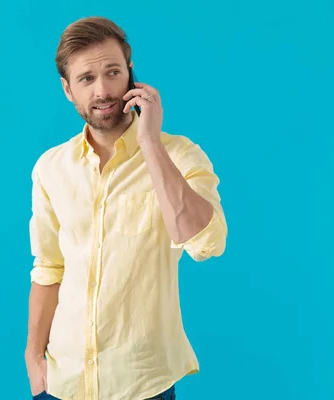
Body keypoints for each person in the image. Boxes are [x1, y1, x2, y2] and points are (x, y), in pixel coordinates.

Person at [25, 16, 228, 400]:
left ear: (131, 74)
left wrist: (150, 143)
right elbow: (49, 268)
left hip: (141, 384)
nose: (103, 90)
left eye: (112, 72)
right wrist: (34, 357)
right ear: (68, 89)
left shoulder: (180, 155)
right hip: (61, 382)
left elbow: (207, 244)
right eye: (86, 79)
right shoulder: (50, 168)